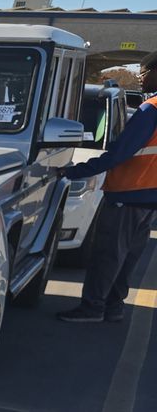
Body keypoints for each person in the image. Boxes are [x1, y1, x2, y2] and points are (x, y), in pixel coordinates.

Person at [56, 51, 157, 324]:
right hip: (149, 198)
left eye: (144, 73)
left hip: (128, 192)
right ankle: (114, 306)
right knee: (128, 257)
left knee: (108, 256)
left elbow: (119, 154)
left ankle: (93, 308)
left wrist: (74, 171)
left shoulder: (151, 109)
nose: (140, 77)